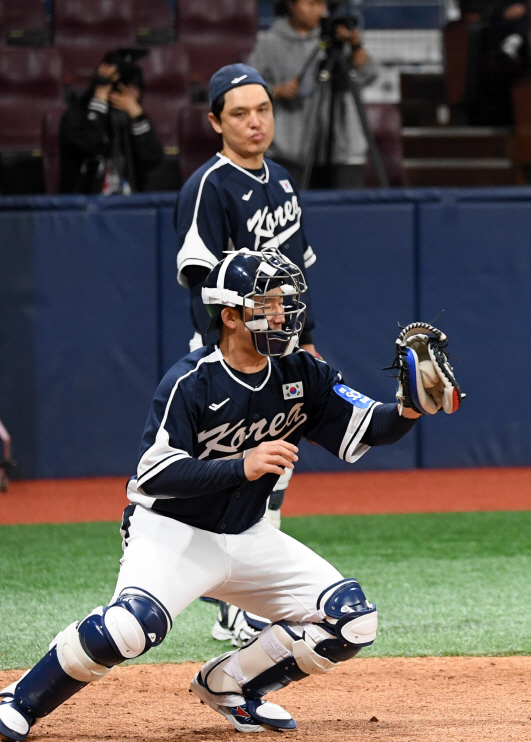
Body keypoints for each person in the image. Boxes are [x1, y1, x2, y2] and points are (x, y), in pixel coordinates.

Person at [0, 250, 429, 741]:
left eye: (285, 302)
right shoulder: (191, 381)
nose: (281, 314)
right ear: (230, 316)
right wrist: (242, 464)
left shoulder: (304, 372)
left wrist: (410, 408)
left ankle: (229, 685)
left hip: (246, 535)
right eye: (267, 303)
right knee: (131, 629)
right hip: (173, 534)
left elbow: (369, 425)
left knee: (351, 621)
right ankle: (22, 700)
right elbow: (155, 476)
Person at [174, 64, 321, 636]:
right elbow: (202, 283)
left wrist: (304, 341)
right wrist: (226, 356)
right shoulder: (207, 187)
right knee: (230, 474)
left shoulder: (281, 179)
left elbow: (296, 278)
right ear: (215, 122)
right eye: (239, 113)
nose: (255, 122)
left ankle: (246, 597)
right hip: (233, 355)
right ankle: (233, 600)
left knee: (275, 470)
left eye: (262, 109)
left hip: (280, 348)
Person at [247, 0, 379, 189]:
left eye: (321, 5)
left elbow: (369, 76)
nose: (319, 11)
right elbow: (245, 90)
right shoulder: (268, 42)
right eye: (311, 4)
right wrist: (276, 91)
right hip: (290, 149)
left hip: (340, 148)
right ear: (291, 5)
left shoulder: (337, 38)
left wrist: (356, 46)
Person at [59, 48, 163, 194]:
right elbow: (88, 144)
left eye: (134, 89)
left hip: (131, 202)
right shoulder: (77, 114)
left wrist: (137, 115)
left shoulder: (132, 117)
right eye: (122, 87)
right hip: (87, 202)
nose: (128, 95)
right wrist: (100, 98)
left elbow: (153, 158)